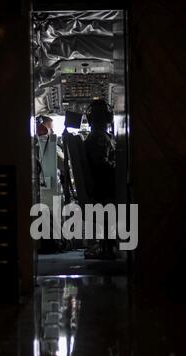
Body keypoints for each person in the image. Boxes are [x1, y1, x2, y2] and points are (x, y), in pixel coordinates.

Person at [84, 100, 116, 258]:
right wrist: (116, 167)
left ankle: (109, 245)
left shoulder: (95, 136)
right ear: (108, 118)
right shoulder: (99, 138)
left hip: (100, 188)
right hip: (104, 190)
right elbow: (101, 165)